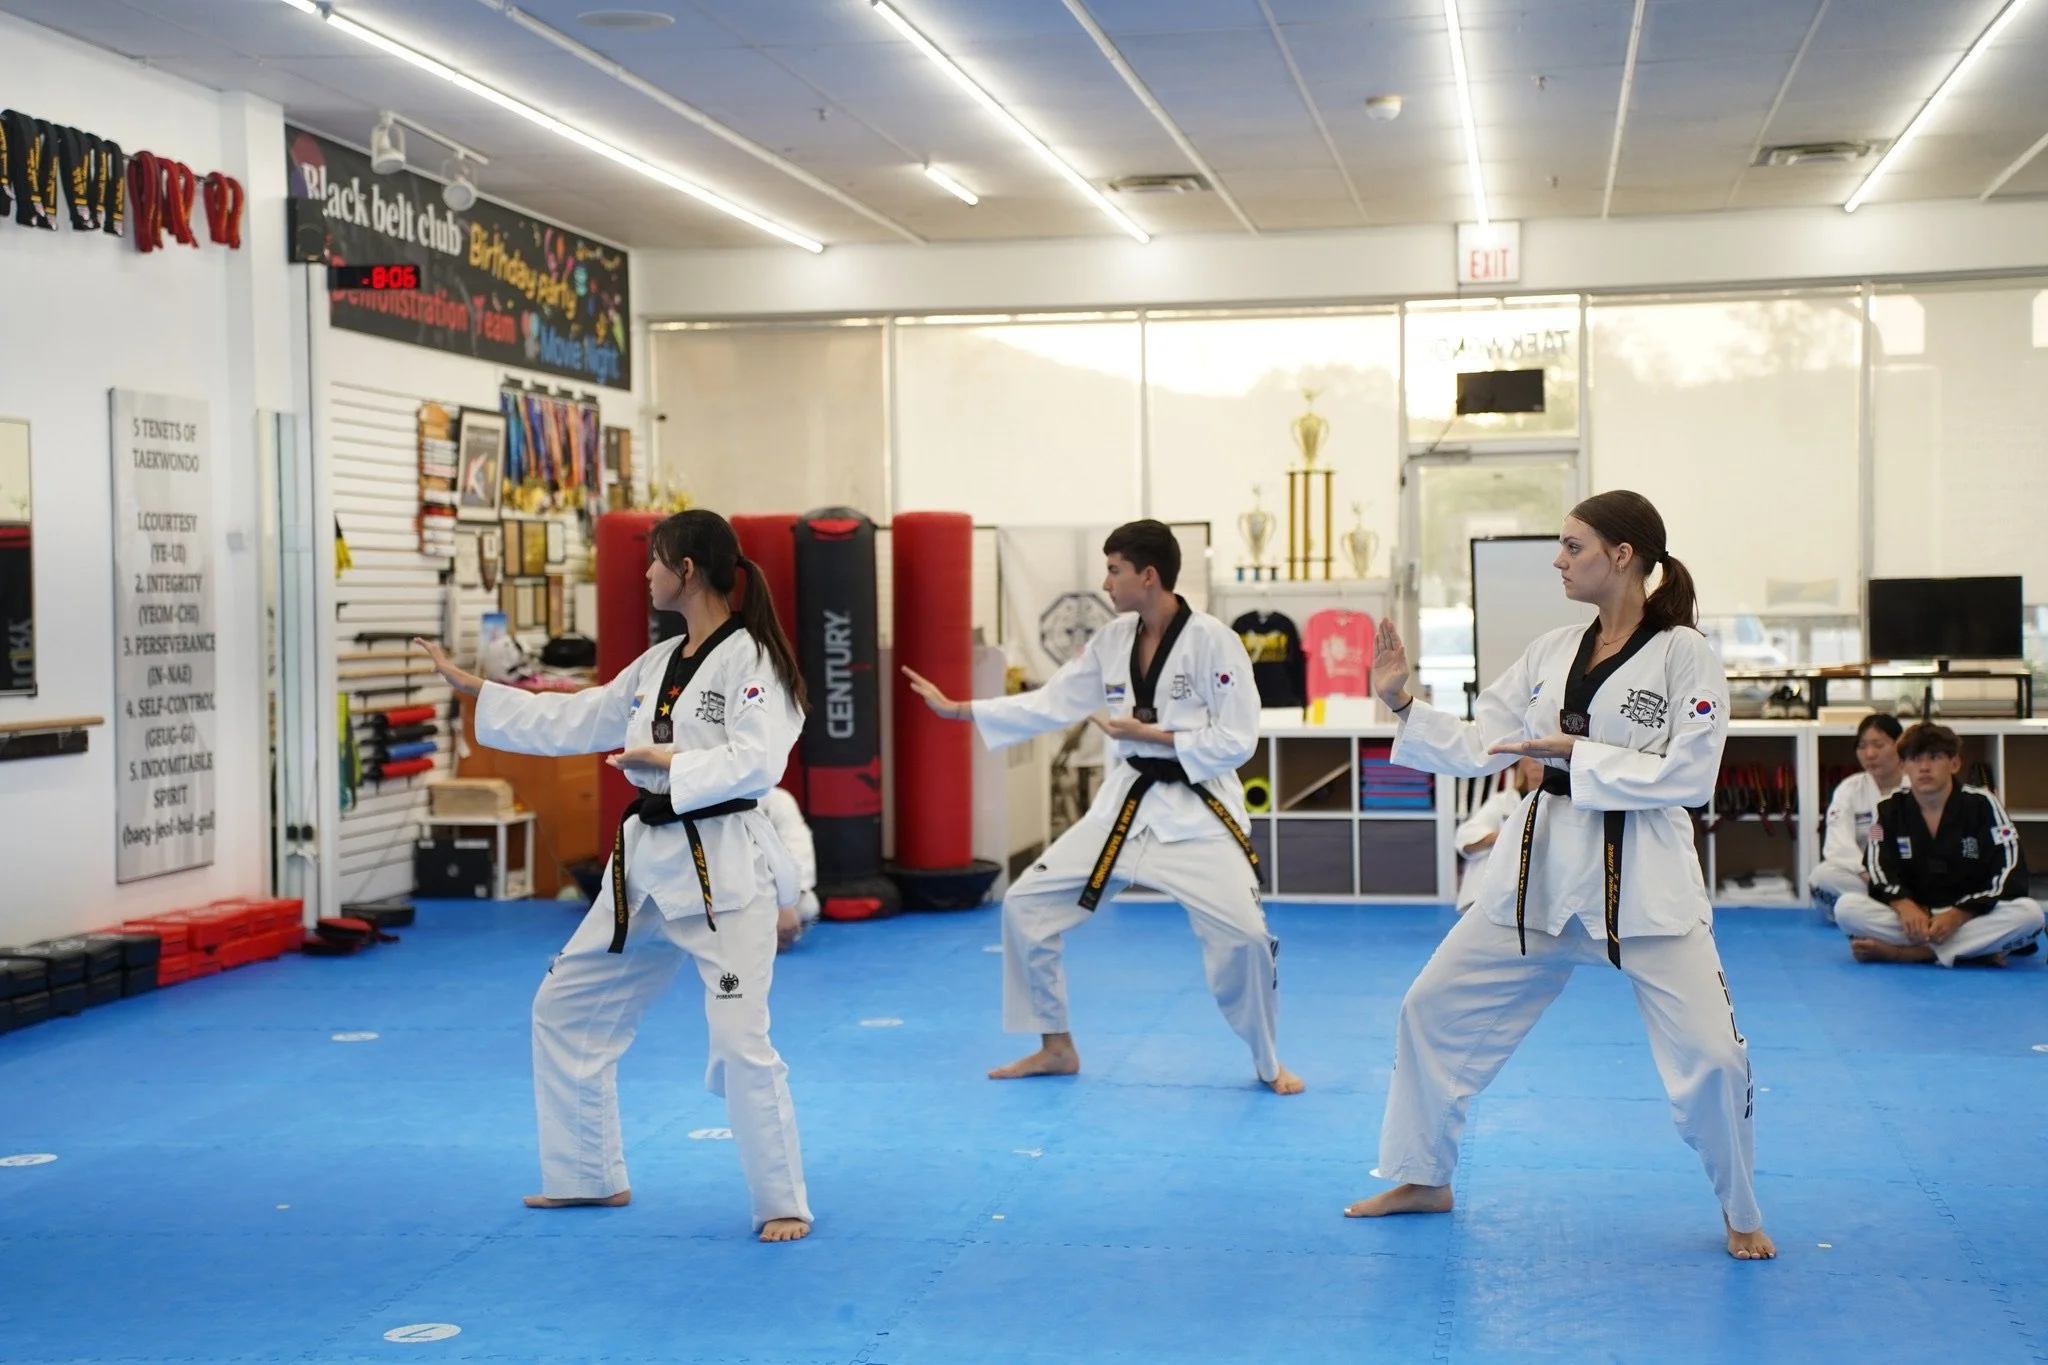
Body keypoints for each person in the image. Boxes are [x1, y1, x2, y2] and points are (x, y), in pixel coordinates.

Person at [1346, 490, 1775, 1261]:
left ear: (1623, 556)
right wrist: (1400, 700)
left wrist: (1582, 756)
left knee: (1714, 1057)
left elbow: (1692, 773)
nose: (1558, 559)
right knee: (1429, 1008)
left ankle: (1740, 1205)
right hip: (1538, 874)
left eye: (1573, 546)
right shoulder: (1550, 650)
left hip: (1643, 881)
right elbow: (1489, 740)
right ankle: (1422, 1176)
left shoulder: (1686, 655)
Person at [414, 509, 813, 1243]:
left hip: (721, 869)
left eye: (656, 561)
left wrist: (674, 766)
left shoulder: (751, 659)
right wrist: (480, 691)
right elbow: (581, 716)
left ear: (687, 569)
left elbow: (761, 760)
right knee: (563, 1008)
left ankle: (781, 1199)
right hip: (646, 871)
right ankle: (586, 1174)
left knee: (738, 1040)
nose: (647, 573)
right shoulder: (658, 663)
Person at [903, 519, 1302, 1094]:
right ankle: (1055, 1045)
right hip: (1125, 811)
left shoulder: (1216, 641)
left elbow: (1238, 740)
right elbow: (1054, 701)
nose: (1106, 581)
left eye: (1115, 569)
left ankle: (1267, 1060)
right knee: (1025, 905)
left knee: (1245, 939)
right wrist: (963, 710)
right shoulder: (1113, 640)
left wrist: (1156, 735)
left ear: (1149, 575)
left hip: (1198, 816)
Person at [1834, 721, 2044, 966]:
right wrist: (1904, 905)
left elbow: (2010, 869)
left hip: (1970, 916)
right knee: (1847, 908)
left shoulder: (1983, 804)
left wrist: (1960, 914)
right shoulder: (1888, 809)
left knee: (2030, 916)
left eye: (1934, 757)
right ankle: (1973, 950)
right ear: (1902, 766)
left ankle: (1911, 953)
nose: (1924, 767)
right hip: (1915, 917)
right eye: (1914, 759)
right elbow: (1877, 867)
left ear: (1954, 763)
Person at [1811, 713, 1905, 922]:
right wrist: (1867, 871)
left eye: (1878, 745)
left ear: (1900, 744)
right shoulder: (1850, 789)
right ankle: (1896, 911)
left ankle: (1873, 915)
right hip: (1866, 877)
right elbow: (1838, 844)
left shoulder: (1915, 786)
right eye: (1862, 746)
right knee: (1821, 878)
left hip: (1908, 875)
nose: (1870, 753)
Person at [1452, 757, 1545, 913]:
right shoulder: (1503, 802)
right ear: (1521, 762)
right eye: (1532, 754)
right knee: (1490, 851)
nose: (1537, 760)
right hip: (1499, 894)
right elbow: (1465, 838)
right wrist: (1507, 837)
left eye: (1545, 757)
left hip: (1540, 891)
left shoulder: (1566, 804)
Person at [762, 784, 820, 951]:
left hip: (765, 892)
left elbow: (798, 851)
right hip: (716, 894)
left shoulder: (778, 800)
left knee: (807, 906)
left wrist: (786, 903)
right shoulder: (710, 797)